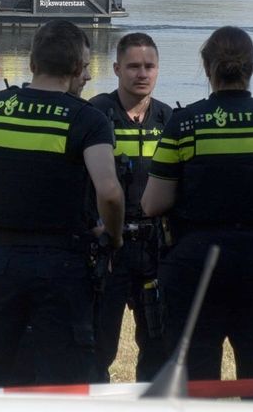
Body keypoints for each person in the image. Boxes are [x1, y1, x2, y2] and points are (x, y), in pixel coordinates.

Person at [0, 20, 124, 389]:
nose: (87, 76)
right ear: (73, 68)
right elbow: (111, 192)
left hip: (1, 261)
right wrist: (112, 237)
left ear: (33, 63)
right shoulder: (87, 119)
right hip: (64, 265)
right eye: (85, 67)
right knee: (63, 379)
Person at [142, 26, 253, 394]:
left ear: (208, 68)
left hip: (197, 265)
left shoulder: (184, 124)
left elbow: (153, 203)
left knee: (198, 382)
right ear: (250, 67)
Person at [89, 32, 174, 382]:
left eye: (149, 66)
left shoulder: (170, 120)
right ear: (116, 69)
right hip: (109, 249)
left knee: (159, 347)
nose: (142, 74)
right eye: (133, 66)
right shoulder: (94, 115)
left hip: (156, 251)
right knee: (96, 347)